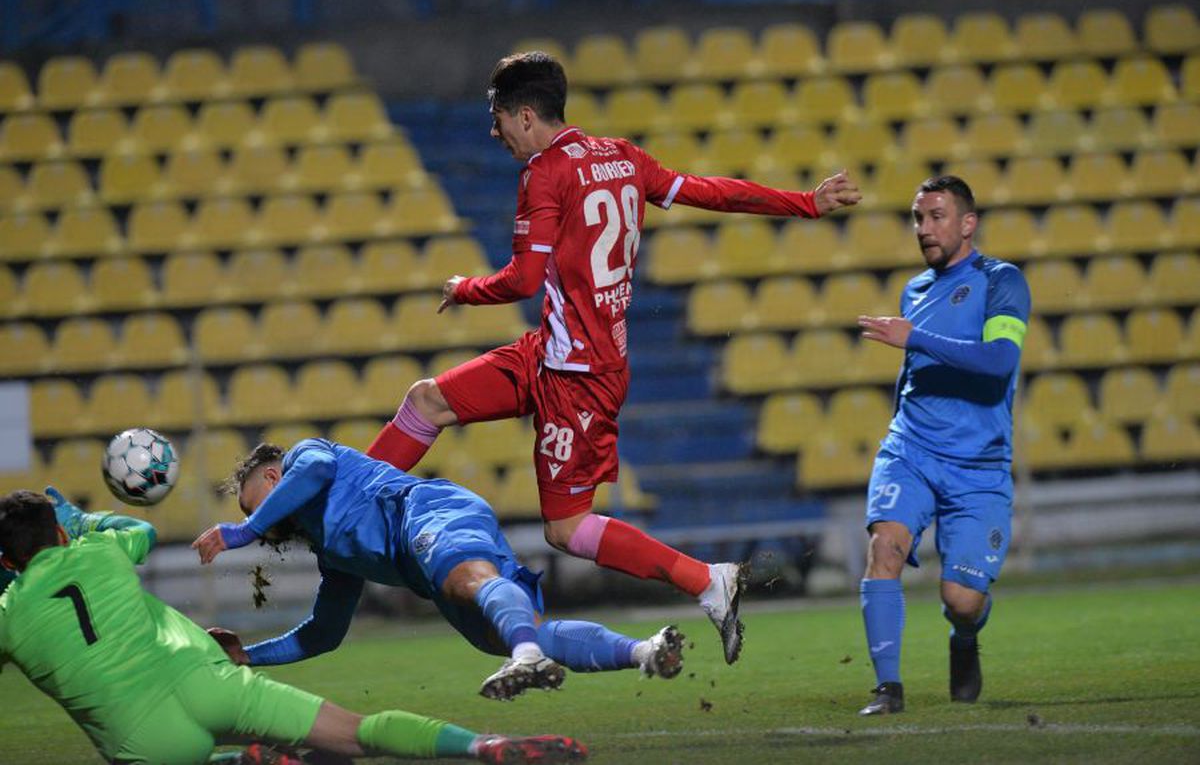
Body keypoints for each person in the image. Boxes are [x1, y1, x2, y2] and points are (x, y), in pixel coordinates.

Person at [365, 51, 863, 665]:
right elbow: (710, 191)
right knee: (427, 400)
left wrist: (465, 288)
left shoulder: (545, 173)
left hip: (578, 376)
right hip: (549, 353)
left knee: (566, 528)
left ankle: (707, 580)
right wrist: (804, 202)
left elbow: (524, 281)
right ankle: (350, 501)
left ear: (525, 115)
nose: (493, 132)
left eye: (497, 118)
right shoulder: (622, 156)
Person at [0, 490, 586, 765]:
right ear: (57, 533)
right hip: (204, 677)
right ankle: (485, 746)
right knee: (356, 735)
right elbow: (143, 534)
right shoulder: (97, 552)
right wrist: (86, 521)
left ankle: (239, 763)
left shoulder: (9, 615)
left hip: (139, 735)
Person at [191, 439, 686, 702]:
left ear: (276, 476)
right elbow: (323, 634)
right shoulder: (332, 552)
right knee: (501, 636)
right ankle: (645, 651)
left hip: (427, 512)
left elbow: (315, 473)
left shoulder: (307, 454)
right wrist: (249, 658)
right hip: (428, 560)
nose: (273, 528)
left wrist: (243, 531)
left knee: (466, 582)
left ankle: (529, 656)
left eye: (266, 508)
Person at [853, 175, 1031, 715]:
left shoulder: (1002, 282)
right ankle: (888, 689)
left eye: (936, 217)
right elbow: (913, 372)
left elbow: (1000, 361)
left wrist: (916, 337)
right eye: (917, 218)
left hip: (978, 466)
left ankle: (965, 636)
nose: (924, 229)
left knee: (962, 600)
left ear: (967, 224)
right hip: (911, 450)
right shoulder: (915, 289)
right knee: (885, 548)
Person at [0, 485, 151, 594]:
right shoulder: (99, 551)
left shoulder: (10, 608)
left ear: (7, 562)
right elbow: (146, 531)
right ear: (62, 534)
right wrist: (84, 522)